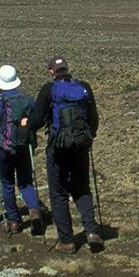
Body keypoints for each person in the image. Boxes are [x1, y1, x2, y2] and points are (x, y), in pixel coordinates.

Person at [30, 55, 103, 254]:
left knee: (59, 192)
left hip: (58, 148)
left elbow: (35, 120)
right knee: (82, 188)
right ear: (67, 69)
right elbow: (94, 118)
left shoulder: (49, 90)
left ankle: (67, 240)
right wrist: (89, 137)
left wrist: (27, 126)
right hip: (80, 145)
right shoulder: (84, 87)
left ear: (51, 71)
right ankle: (91, 231)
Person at [0, 65, 43, 235]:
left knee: (7, 183)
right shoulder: (27, 99)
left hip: (3, 148)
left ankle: (13, 220)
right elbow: (35, 121)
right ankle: (33, 210)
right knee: (25, 181)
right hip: (24, 146)